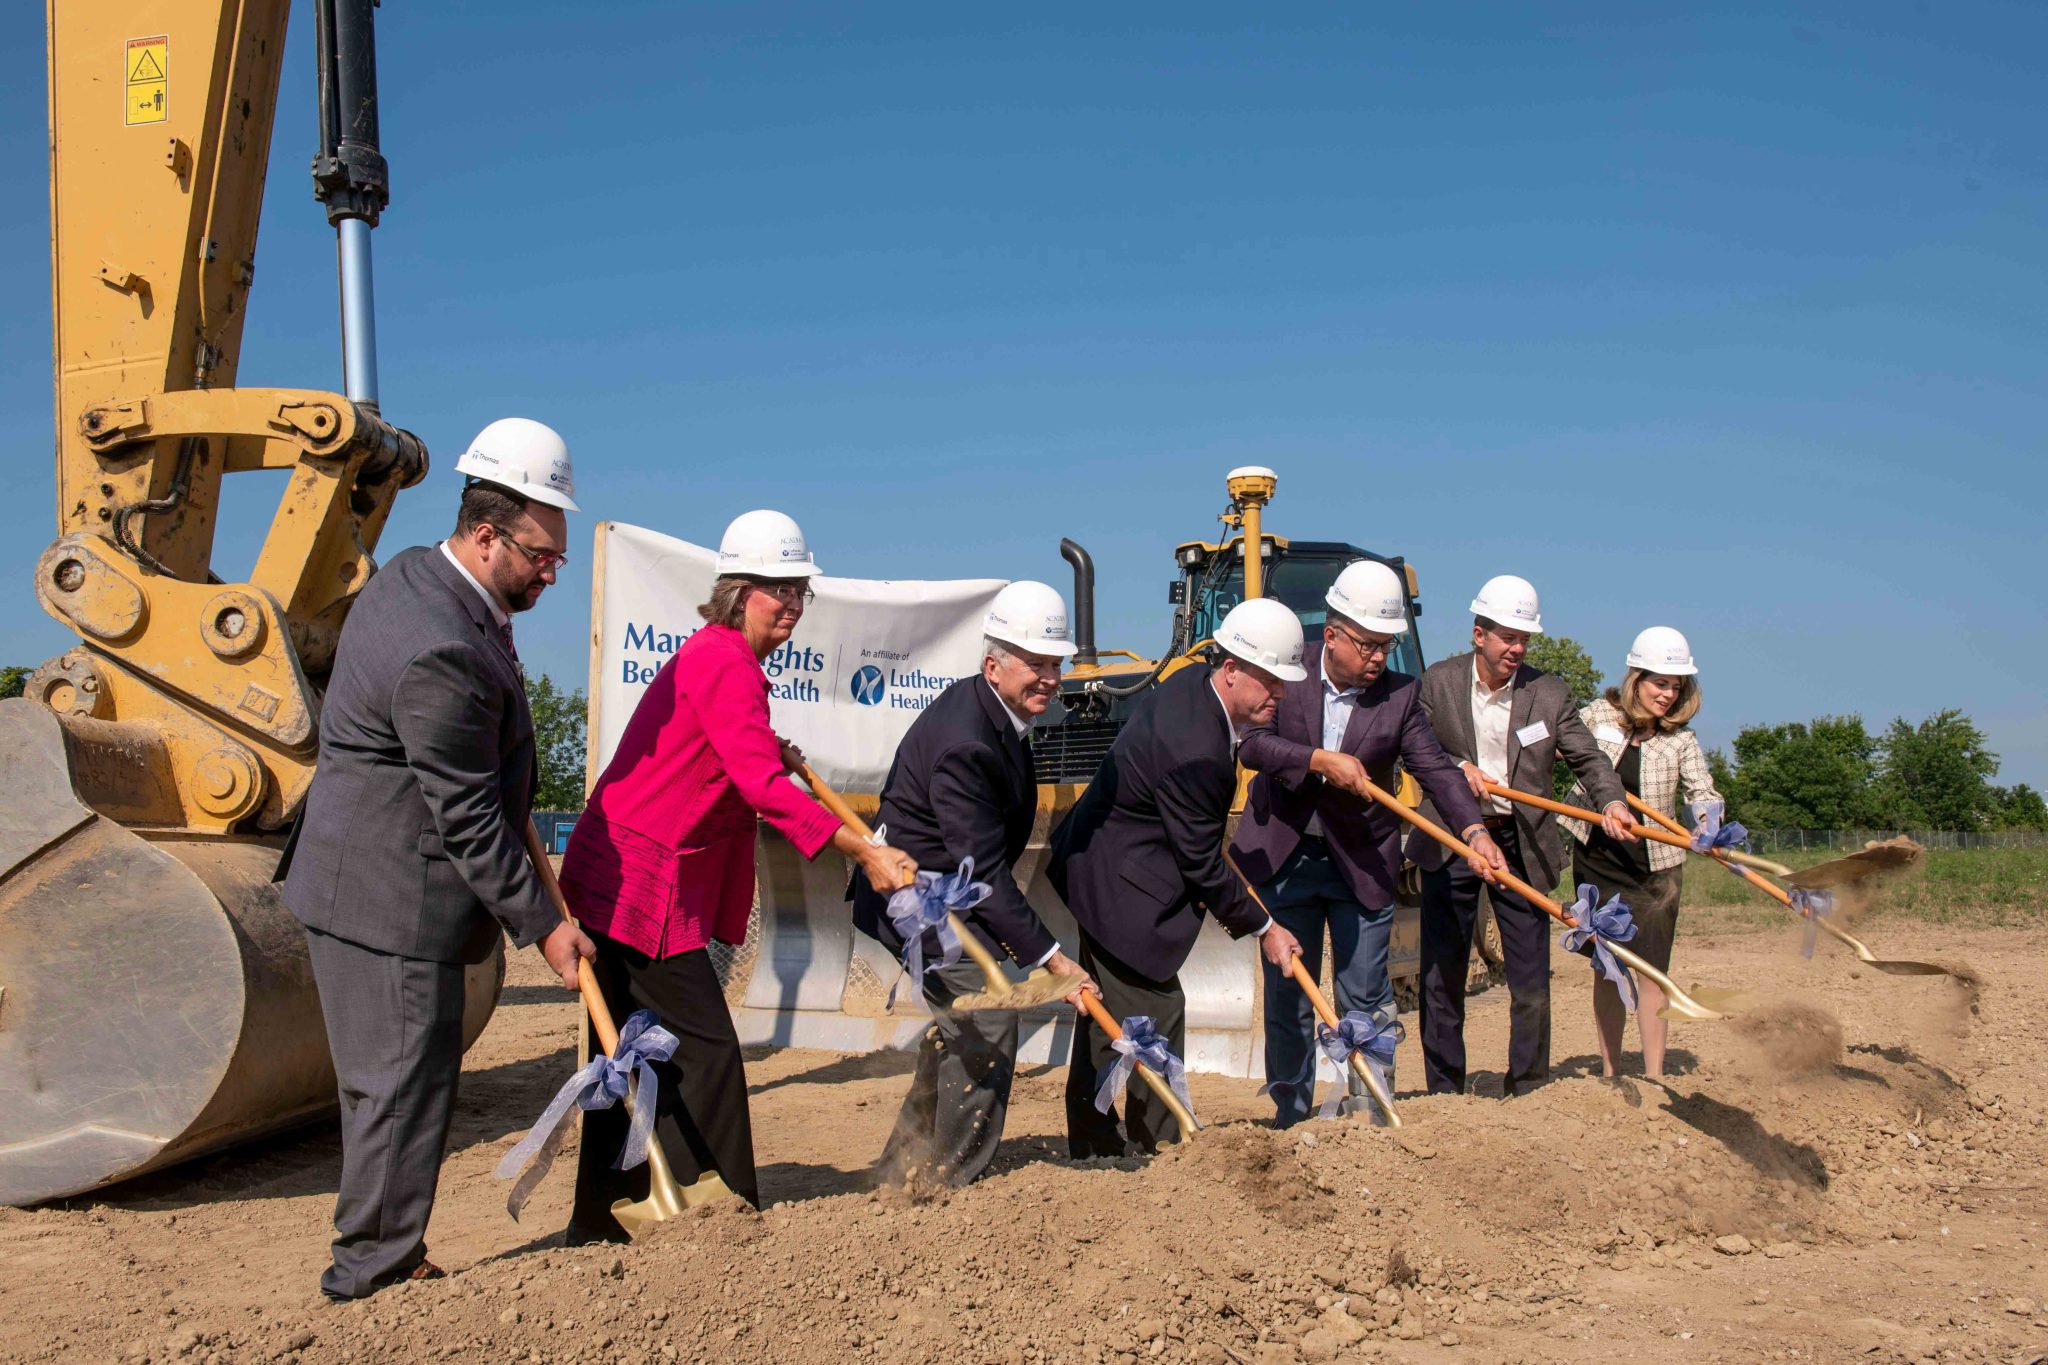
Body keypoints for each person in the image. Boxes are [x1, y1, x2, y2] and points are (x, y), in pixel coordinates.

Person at [281, 418, 596, 1300]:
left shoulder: (424, 577)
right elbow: (466, 813)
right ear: (486, 534)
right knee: (397, 1088)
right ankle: (371, 1276)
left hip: (364, 874)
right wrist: (545, 927)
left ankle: (388, 1250)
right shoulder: (442, 643)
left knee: (400, 1085)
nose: (551, 571)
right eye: (541, 554)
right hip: (389, 897)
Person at [558, 510, 914, 1239]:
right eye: (773, 589)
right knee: (704, 1047)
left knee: (627, 1046)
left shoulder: (728, 662)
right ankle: (724, 1215)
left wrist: (764, 748)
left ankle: (601, 1219)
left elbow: (732, 754)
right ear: (736, 591)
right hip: (638, 885)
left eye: (798, 591)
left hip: (627, 873)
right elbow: (758, 787)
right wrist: (864, 849)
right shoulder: (725, 661)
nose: (789, 604)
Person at [1232, 561, 1501, 1126]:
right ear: (1331, 634)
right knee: (1290, 998)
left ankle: (1372, 1111)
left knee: (1366, 996)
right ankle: (1292, 1112)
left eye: (1387, 645)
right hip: (1286, 858)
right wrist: (1316, 760)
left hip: (1361, 861)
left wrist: (1473, 830)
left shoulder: (1401, 697)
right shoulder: (1288, 669)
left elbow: (1436, 770)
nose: (1379, 657)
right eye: (1368, 645)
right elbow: (1252, 744)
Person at [852, 581, 1098, 1187]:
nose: (1049, 677)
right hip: (917, 902)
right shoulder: (969, 740)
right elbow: (982, 870)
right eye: (1035, 665)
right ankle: (952, 1181)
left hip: (948, 894)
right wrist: (1050, 959)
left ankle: (904, 1166)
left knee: (961, 1027)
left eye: (1054, 664)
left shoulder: (995, 713)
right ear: (994, 664)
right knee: (986, 1020)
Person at [1050, 597, 1308, 1156]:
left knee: (1103, 1012)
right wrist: (1266, 929)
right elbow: (1201, 861)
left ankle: (1094, 1141)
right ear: (1233, 669)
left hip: (1100, 864)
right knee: (1158, 1011)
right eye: (1270, 680)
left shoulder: (1194, 682)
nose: (1280, 694)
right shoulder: (1197, 748)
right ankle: (1163, 1152)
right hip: (1120, 885)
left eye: (1285, 682)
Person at [1410, 574, 1638, 1098]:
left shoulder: (1550, 693)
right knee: (1442, 977)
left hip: (1521, 842)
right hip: (1452, 838)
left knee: (1530, 981)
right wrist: (1455, 767)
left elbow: (1588, 757)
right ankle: (1444, 1091)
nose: (1517, 648)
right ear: (1478, 634)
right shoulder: (1437, 683)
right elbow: (1412, 750)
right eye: (1507, 637)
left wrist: (1612, 800)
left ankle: (1529, 1088)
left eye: (1523, 639)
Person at [1562, 626, 1723, 1079]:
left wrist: (1709, 825)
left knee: (1653, 972)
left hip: (1655, 870)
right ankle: (1611, 1071)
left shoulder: (1681, 741)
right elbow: (1555, 742)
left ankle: (1653, 1076)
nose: (1669, 695)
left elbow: (1702, 790)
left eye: (1677, 686)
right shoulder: (1598, 716)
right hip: (1598, 860)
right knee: (1608, 967)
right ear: (1636, 679)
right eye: (1660, 683)